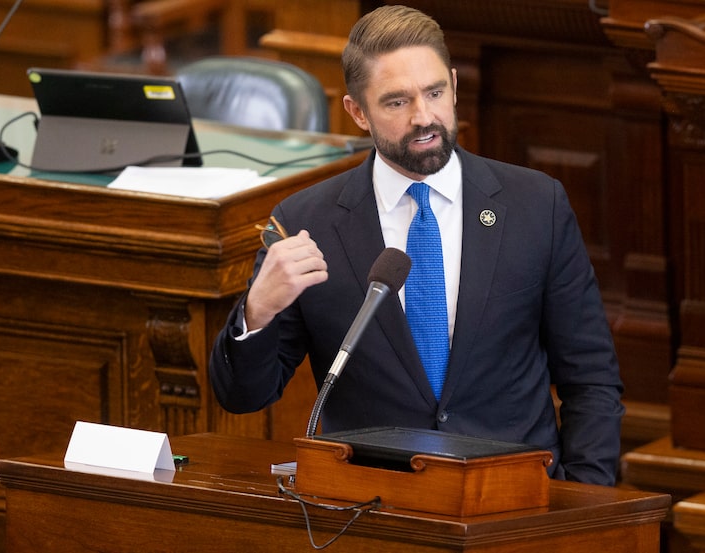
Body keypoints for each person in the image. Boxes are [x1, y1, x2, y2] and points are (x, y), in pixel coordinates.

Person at [209, 4, 624, 486]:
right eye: (396, 102)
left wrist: (583, 503)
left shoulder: (536, 205)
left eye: (434, 92)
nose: (424, 117)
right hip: (372, 506)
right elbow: (243, 396)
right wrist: (256, 313)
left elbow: (591, 378)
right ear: (357, 112)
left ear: (453, 83)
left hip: (514, 502)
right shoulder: (307, 223)